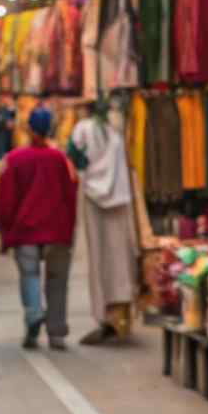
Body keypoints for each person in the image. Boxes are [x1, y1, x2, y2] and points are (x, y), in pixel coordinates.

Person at [0, 107, 77, 350]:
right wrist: (70, 230)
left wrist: (5, 231)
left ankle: (33, 316)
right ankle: (56, 333)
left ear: (29, 129)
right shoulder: (60, 160)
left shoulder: (14, 159)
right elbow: (70, 196)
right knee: (57, 281)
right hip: (57, 230)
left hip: (26, 230)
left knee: (29, 275)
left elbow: (6, 200)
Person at [66, 104, 139, 345]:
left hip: (92, 200)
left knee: (99, 260)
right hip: (120, 198)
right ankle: (122, 317)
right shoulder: (116, 133)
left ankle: (105, 316)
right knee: (121, 258)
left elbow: (73, 159)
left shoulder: (82, 130)